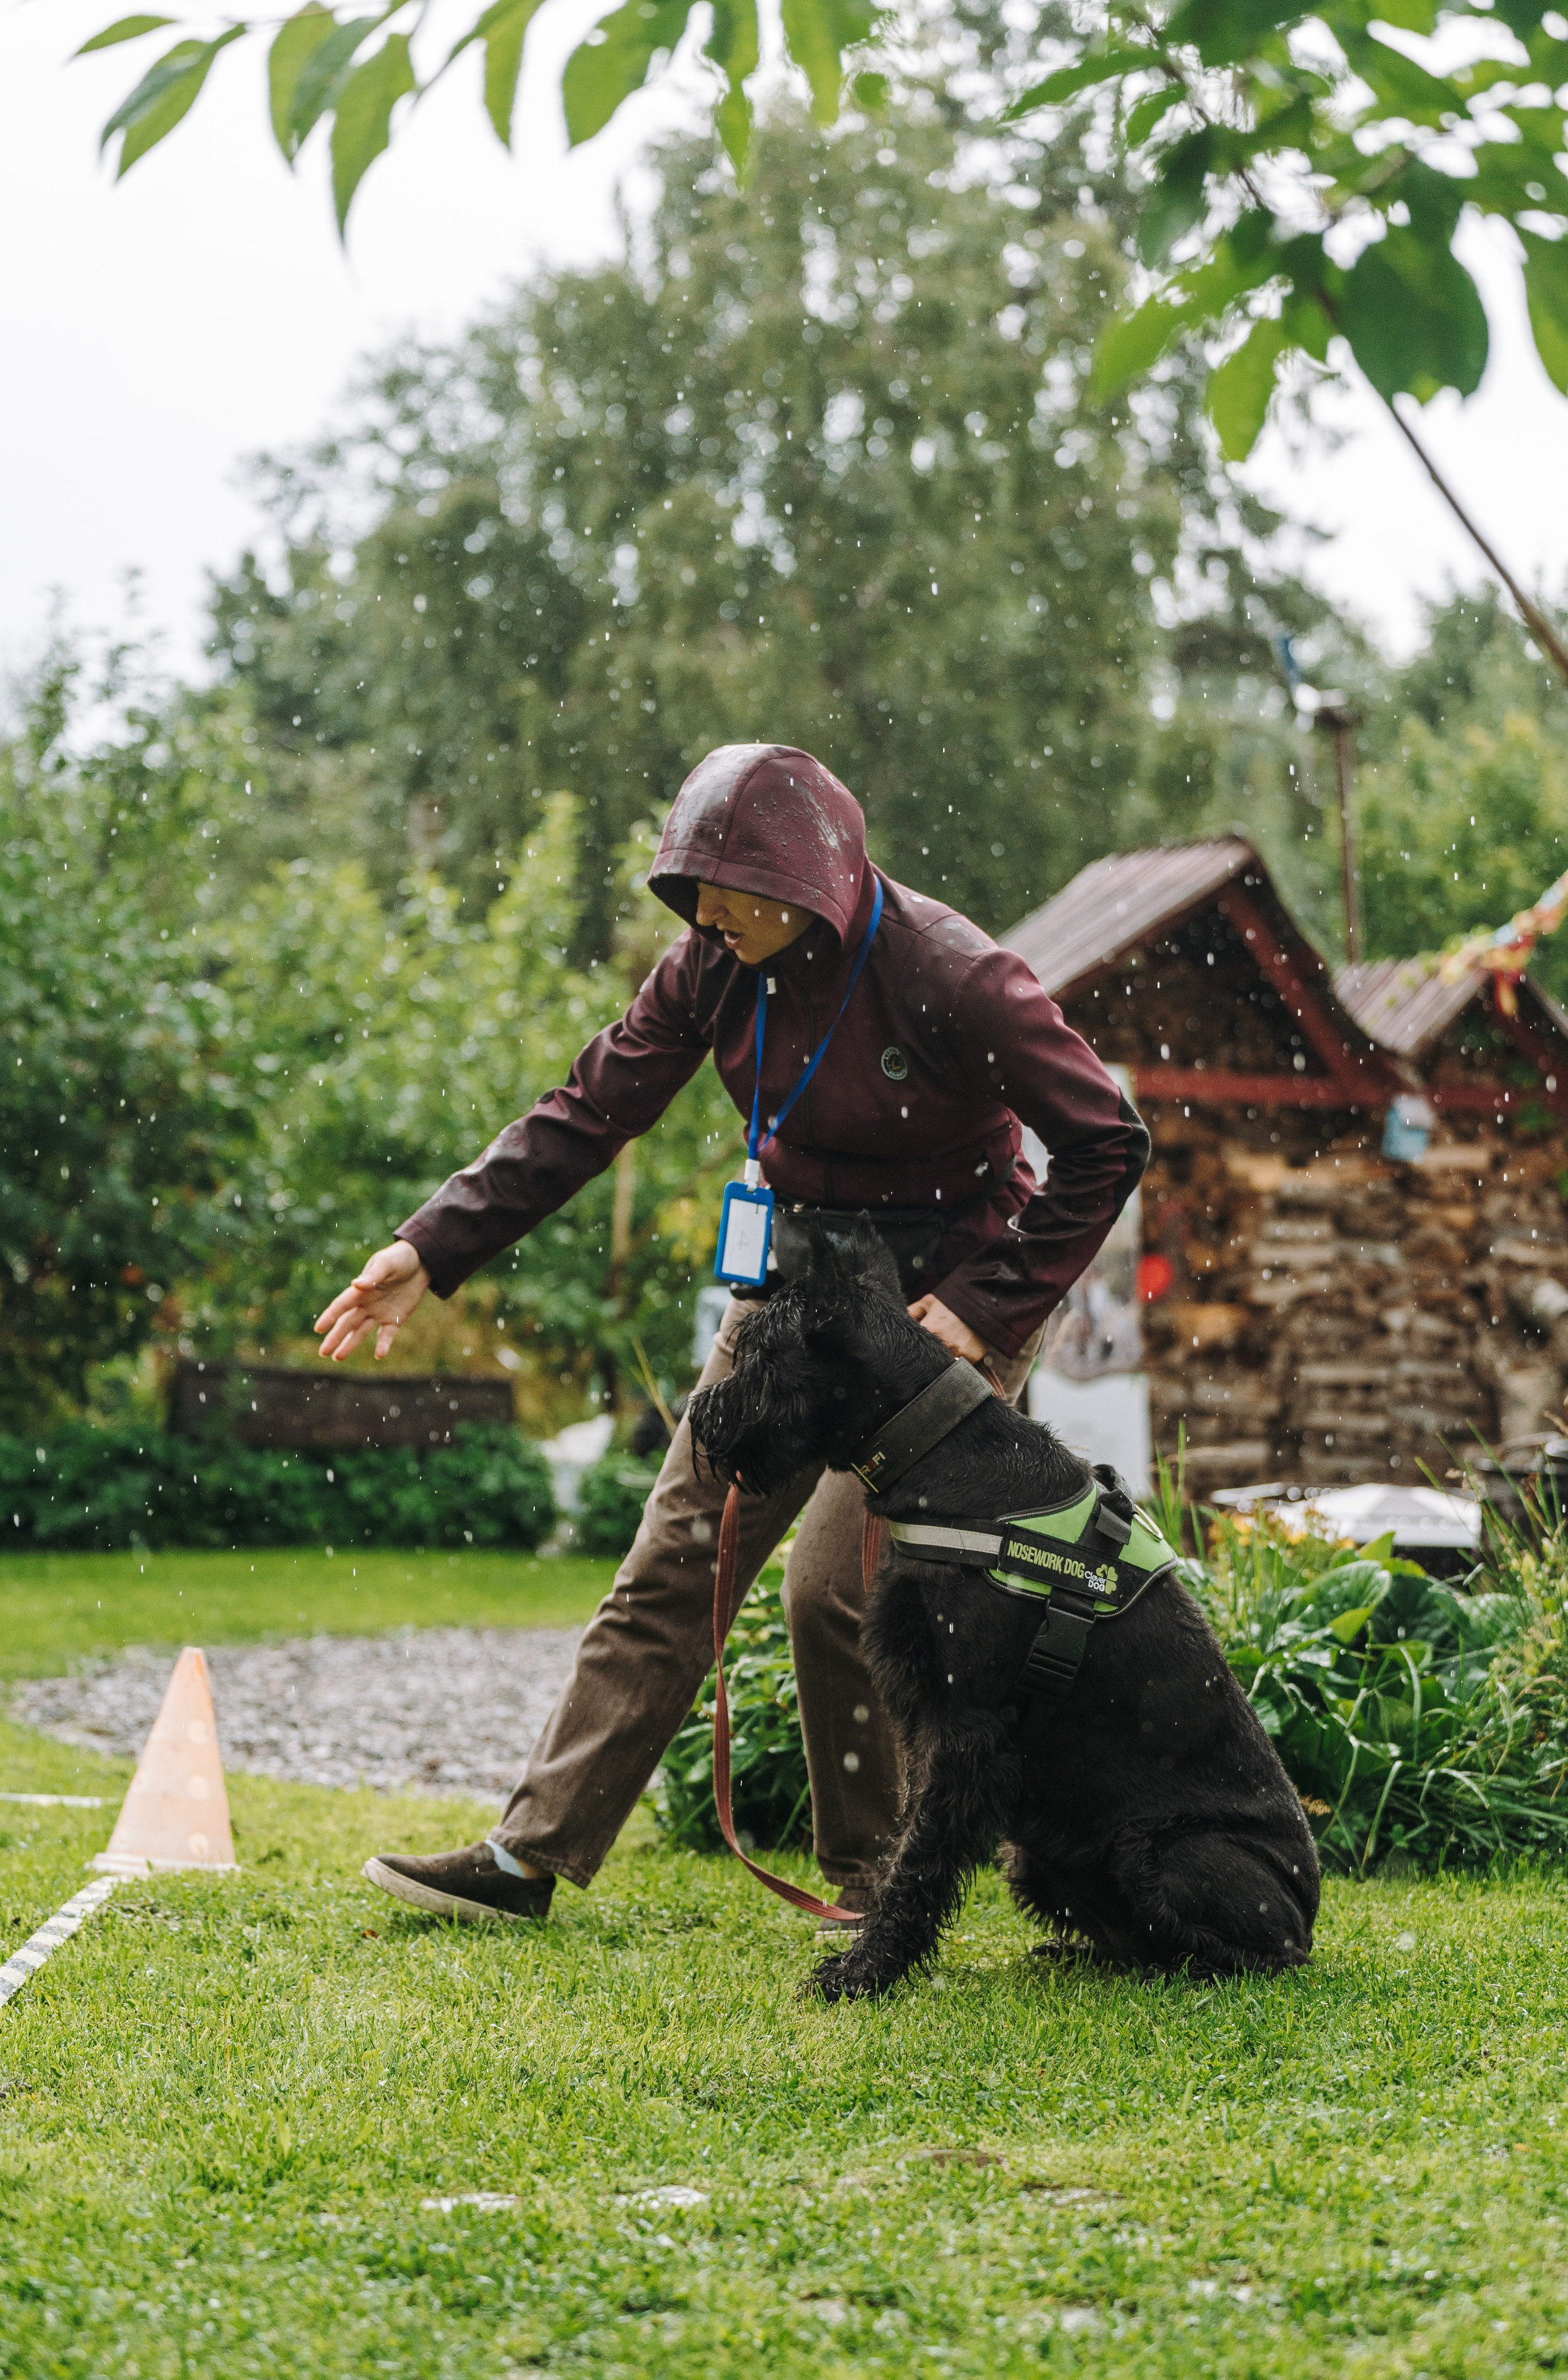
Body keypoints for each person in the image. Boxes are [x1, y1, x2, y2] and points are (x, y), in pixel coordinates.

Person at [315, 744, 1149, 1926]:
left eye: (728, 891)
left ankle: (880, 1888)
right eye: (690, 891)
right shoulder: (712, 966)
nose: (703, 915)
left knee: (839, 1585)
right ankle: (528, 1857)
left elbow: (1108, 1139)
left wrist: (987, 1304)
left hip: (944, 1298)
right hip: (800, 1277)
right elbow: (589, 1107)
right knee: (678, 1550)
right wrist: (433, 1245)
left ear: (811, 882)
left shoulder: (954, 976)